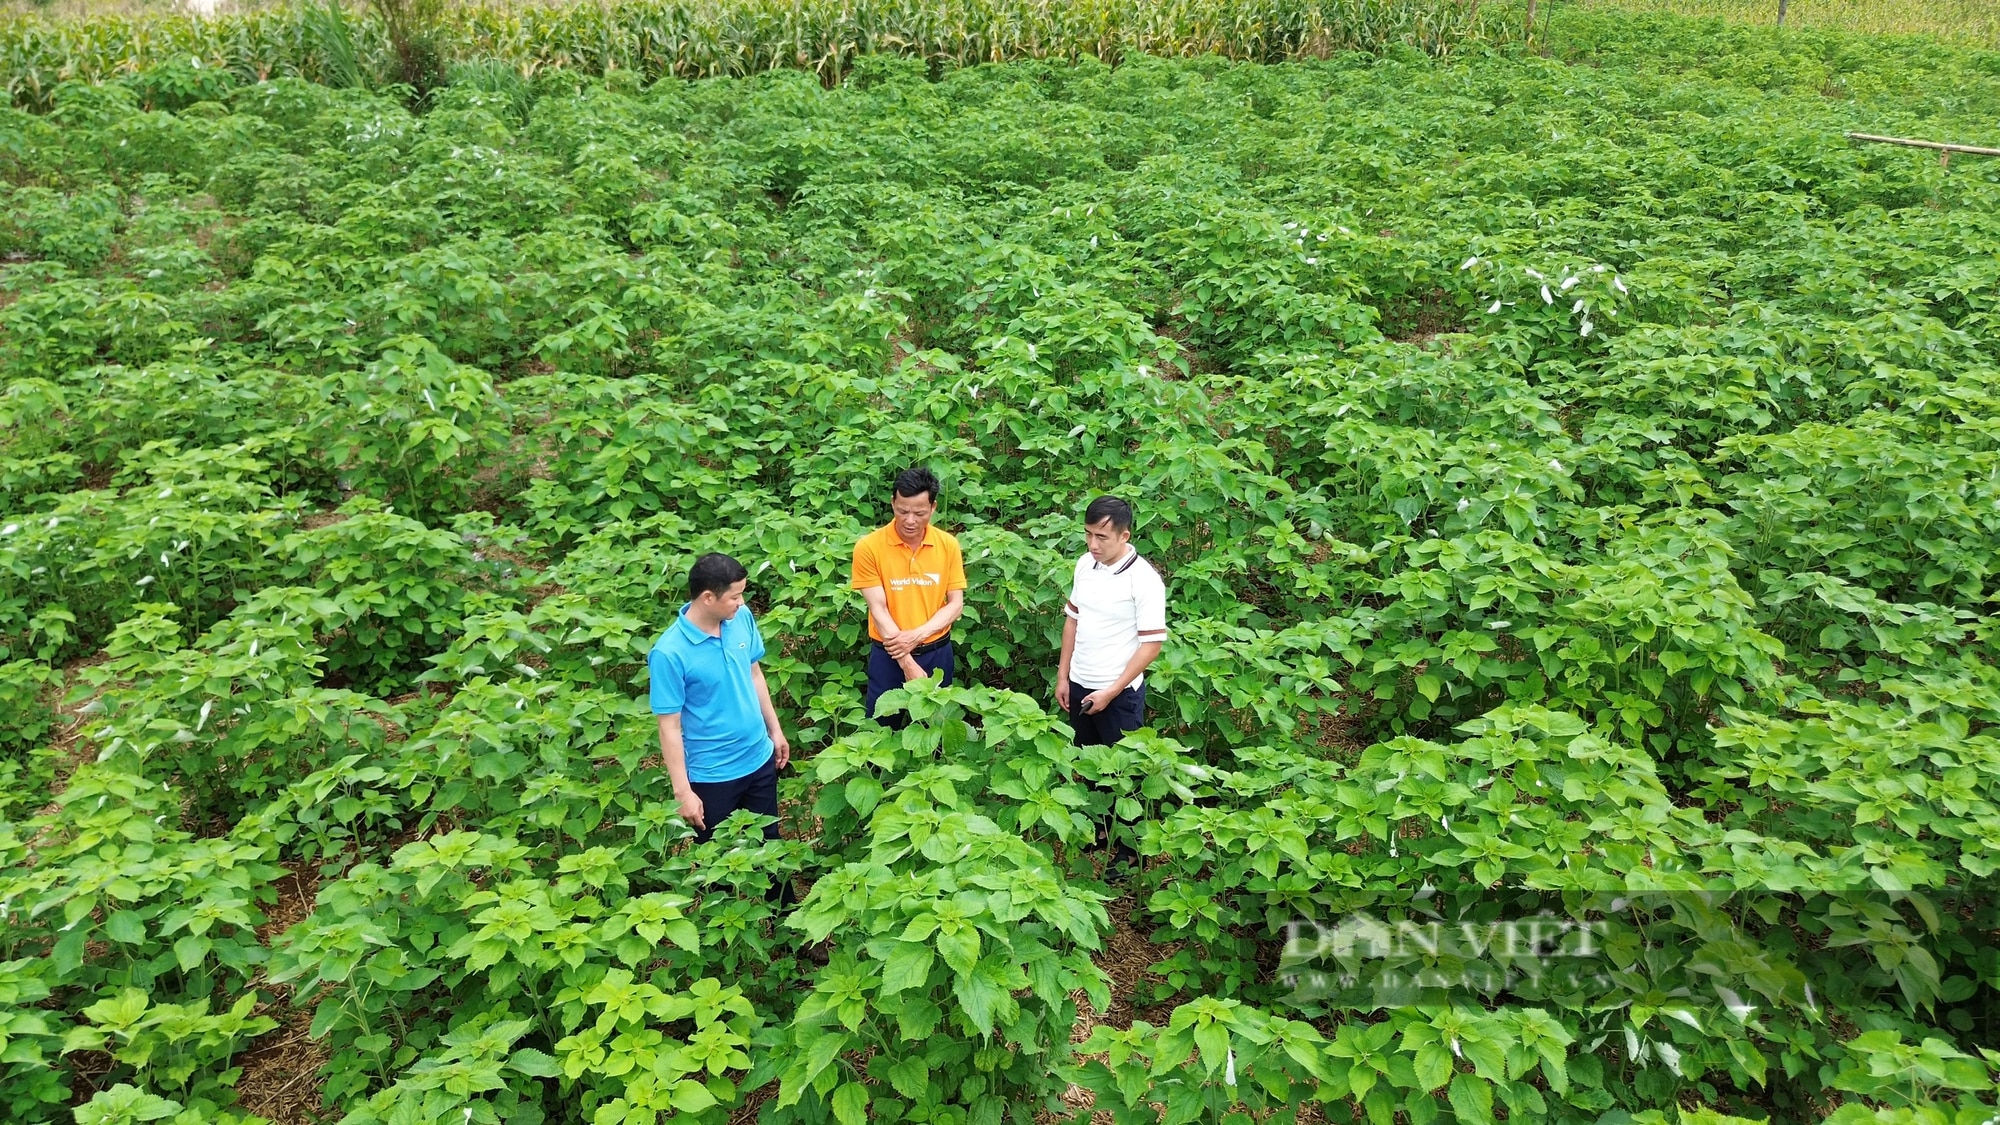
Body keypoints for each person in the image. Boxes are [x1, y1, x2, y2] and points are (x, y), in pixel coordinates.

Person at [649, 552, 792, 853]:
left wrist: (774, 730)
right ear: (708, 598)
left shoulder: (740, 618)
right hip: (713, 774)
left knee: (771, 848)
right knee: (720, 861)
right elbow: (669, 727)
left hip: (758, 758)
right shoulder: (669, 653)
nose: (741, 603)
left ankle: (782, 902)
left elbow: (754, 674)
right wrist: (683, 792)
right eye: (735, 596)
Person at [851, 467, 967, 727]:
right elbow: (878, 609)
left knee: (936, 729)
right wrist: (906, 661)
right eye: (902, 511)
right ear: (893, 502)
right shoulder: (869, 547)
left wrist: (917, 635)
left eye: (919, 513)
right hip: (889, 655)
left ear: (933, 507)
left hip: (937, 652)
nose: (910, 520)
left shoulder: (948, 545)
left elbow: (955, 604)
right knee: (881, 728)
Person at [1056, 495, 1168, 747]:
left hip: (1119, 694)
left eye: (1102, 537)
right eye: (1088, 534)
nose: (1092, 544)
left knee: (1121, 773)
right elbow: (1072, 621)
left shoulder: (1144, 580)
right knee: (1084, 762)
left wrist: (1112, 691)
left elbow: (1151, 645)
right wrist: (1063, 677)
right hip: (1078, 684)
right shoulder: (1085, 564)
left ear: (1124, 536)